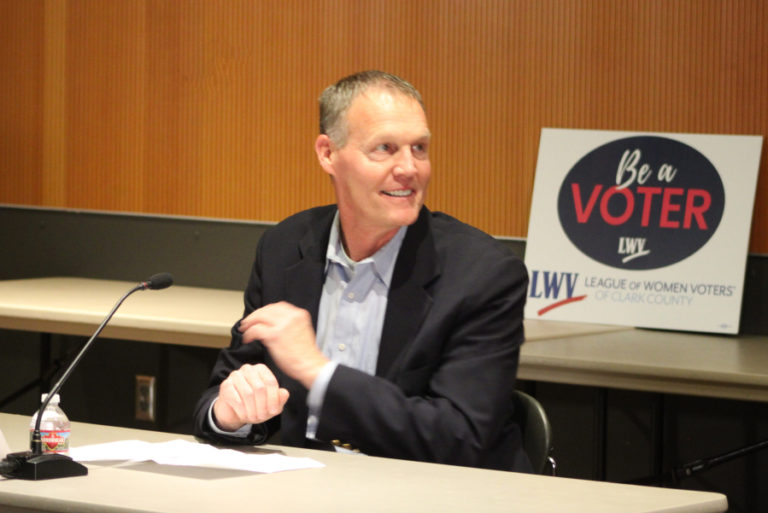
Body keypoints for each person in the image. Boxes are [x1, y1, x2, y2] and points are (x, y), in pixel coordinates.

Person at [193, 70, 531, 472]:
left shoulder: (484, 274)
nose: (410, 168)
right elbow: (224, 389)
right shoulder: (285, 249)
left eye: (419, 148)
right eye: (385, 148)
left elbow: (461, 438)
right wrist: (229, 413)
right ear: (327, 153)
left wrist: (319, 374)